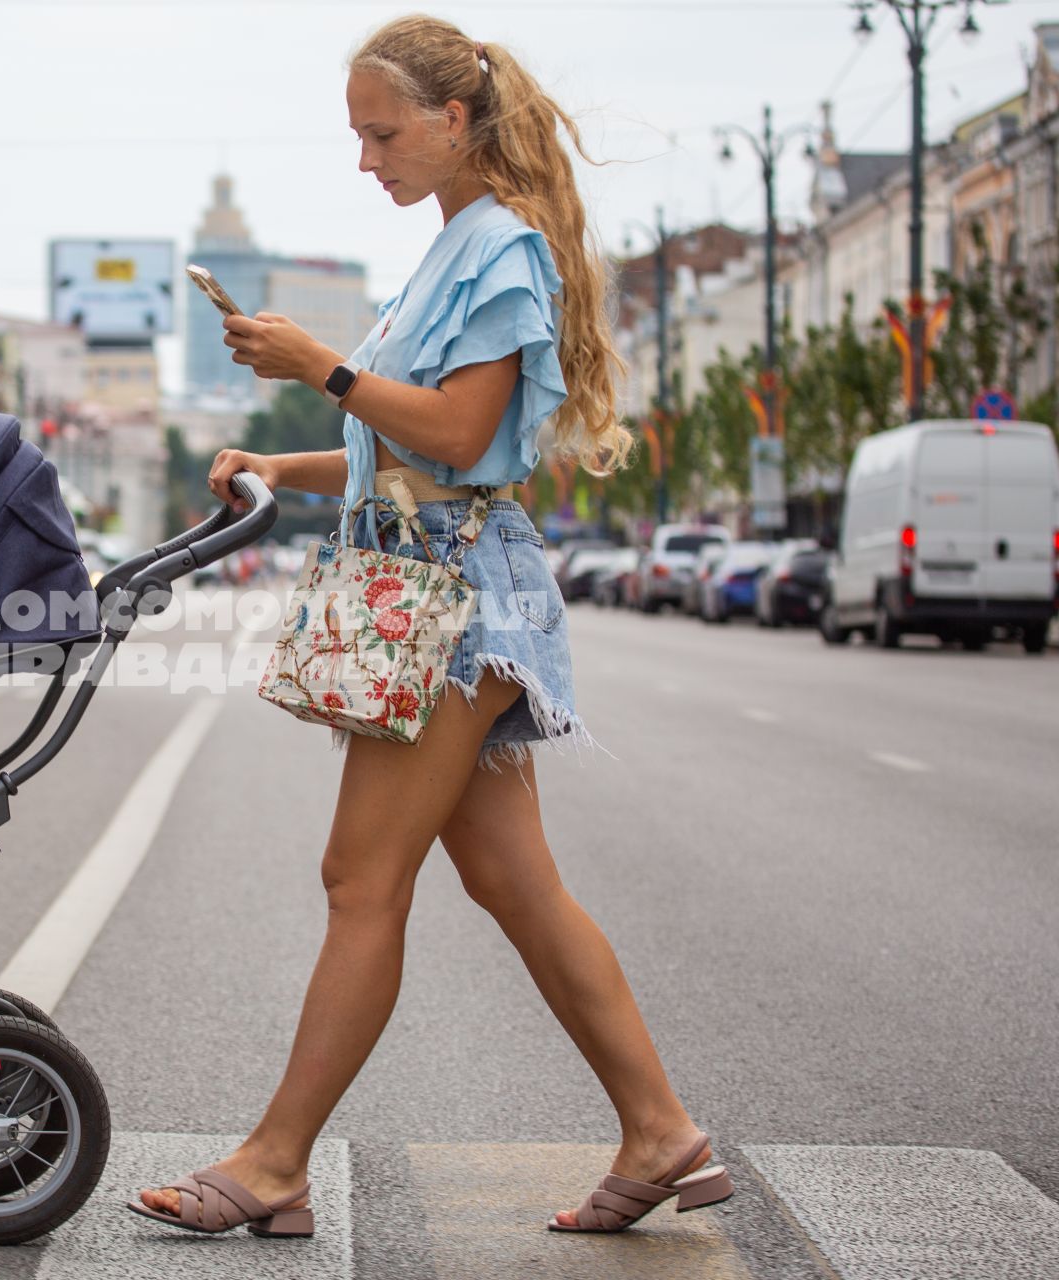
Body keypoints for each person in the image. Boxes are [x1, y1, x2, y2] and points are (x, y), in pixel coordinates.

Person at [132, 16, 730, 1239]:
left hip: (454, 607)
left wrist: (320, 365)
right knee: (515, 880)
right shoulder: (452, 246)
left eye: (383, 131)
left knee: (361, 878)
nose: (367, 158)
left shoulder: (499, 250)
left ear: (456, 121)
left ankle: (276, 1159)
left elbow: (460, 439)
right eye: (358, 135)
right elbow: (399, 440)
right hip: (437, 582)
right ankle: (663, 1129)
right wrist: (280, 463)